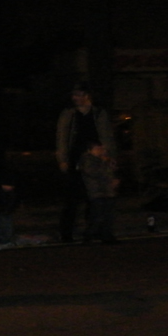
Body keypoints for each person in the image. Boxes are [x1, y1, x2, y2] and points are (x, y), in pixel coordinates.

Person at [55, 82, 117, 243]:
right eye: (74, 95)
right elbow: (61, 137)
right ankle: (66, 233)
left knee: (97, 198)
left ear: (87, 96)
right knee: (72, 199)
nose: (75, 98)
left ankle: (95, 231)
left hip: (96, 159)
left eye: (79, 95)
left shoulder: (98, 113)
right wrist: (62, 159)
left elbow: (107, 136)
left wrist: (109, 157)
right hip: (75, 159)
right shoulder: (68, 113)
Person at [78, 140, 119, 244]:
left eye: (101, 149)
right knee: (97, 215)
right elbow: (94, 172)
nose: (100, 151)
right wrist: (105, 164)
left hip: (107, 191)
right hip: (97, 191)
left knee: (108, 215)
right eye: (97, 149)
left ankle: (106, 235)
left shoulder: (102, 159)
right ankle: (89, 236)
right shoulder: (88, 160)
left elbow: (111, 171)